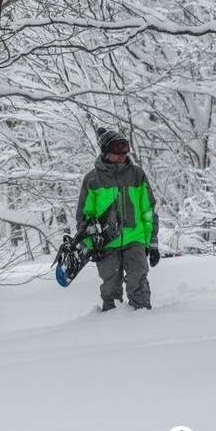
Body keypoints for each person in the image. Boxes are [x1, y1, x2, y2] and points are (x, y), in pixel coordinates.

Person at [76, 127, 160, 311]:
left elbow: (148, 211)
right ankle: (111, 325)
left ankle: (144, 318)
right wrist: (89, 246)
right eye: (117, 151)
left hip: (135, 239)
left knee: (138, 280)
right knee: (110, 287)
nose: (122, 155)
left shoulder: (137, 175)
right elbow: (85, 217)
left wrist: (152, 243)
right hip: (106, 243)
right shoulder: (92, 180)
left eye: (125, 150)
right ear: (106, 151)